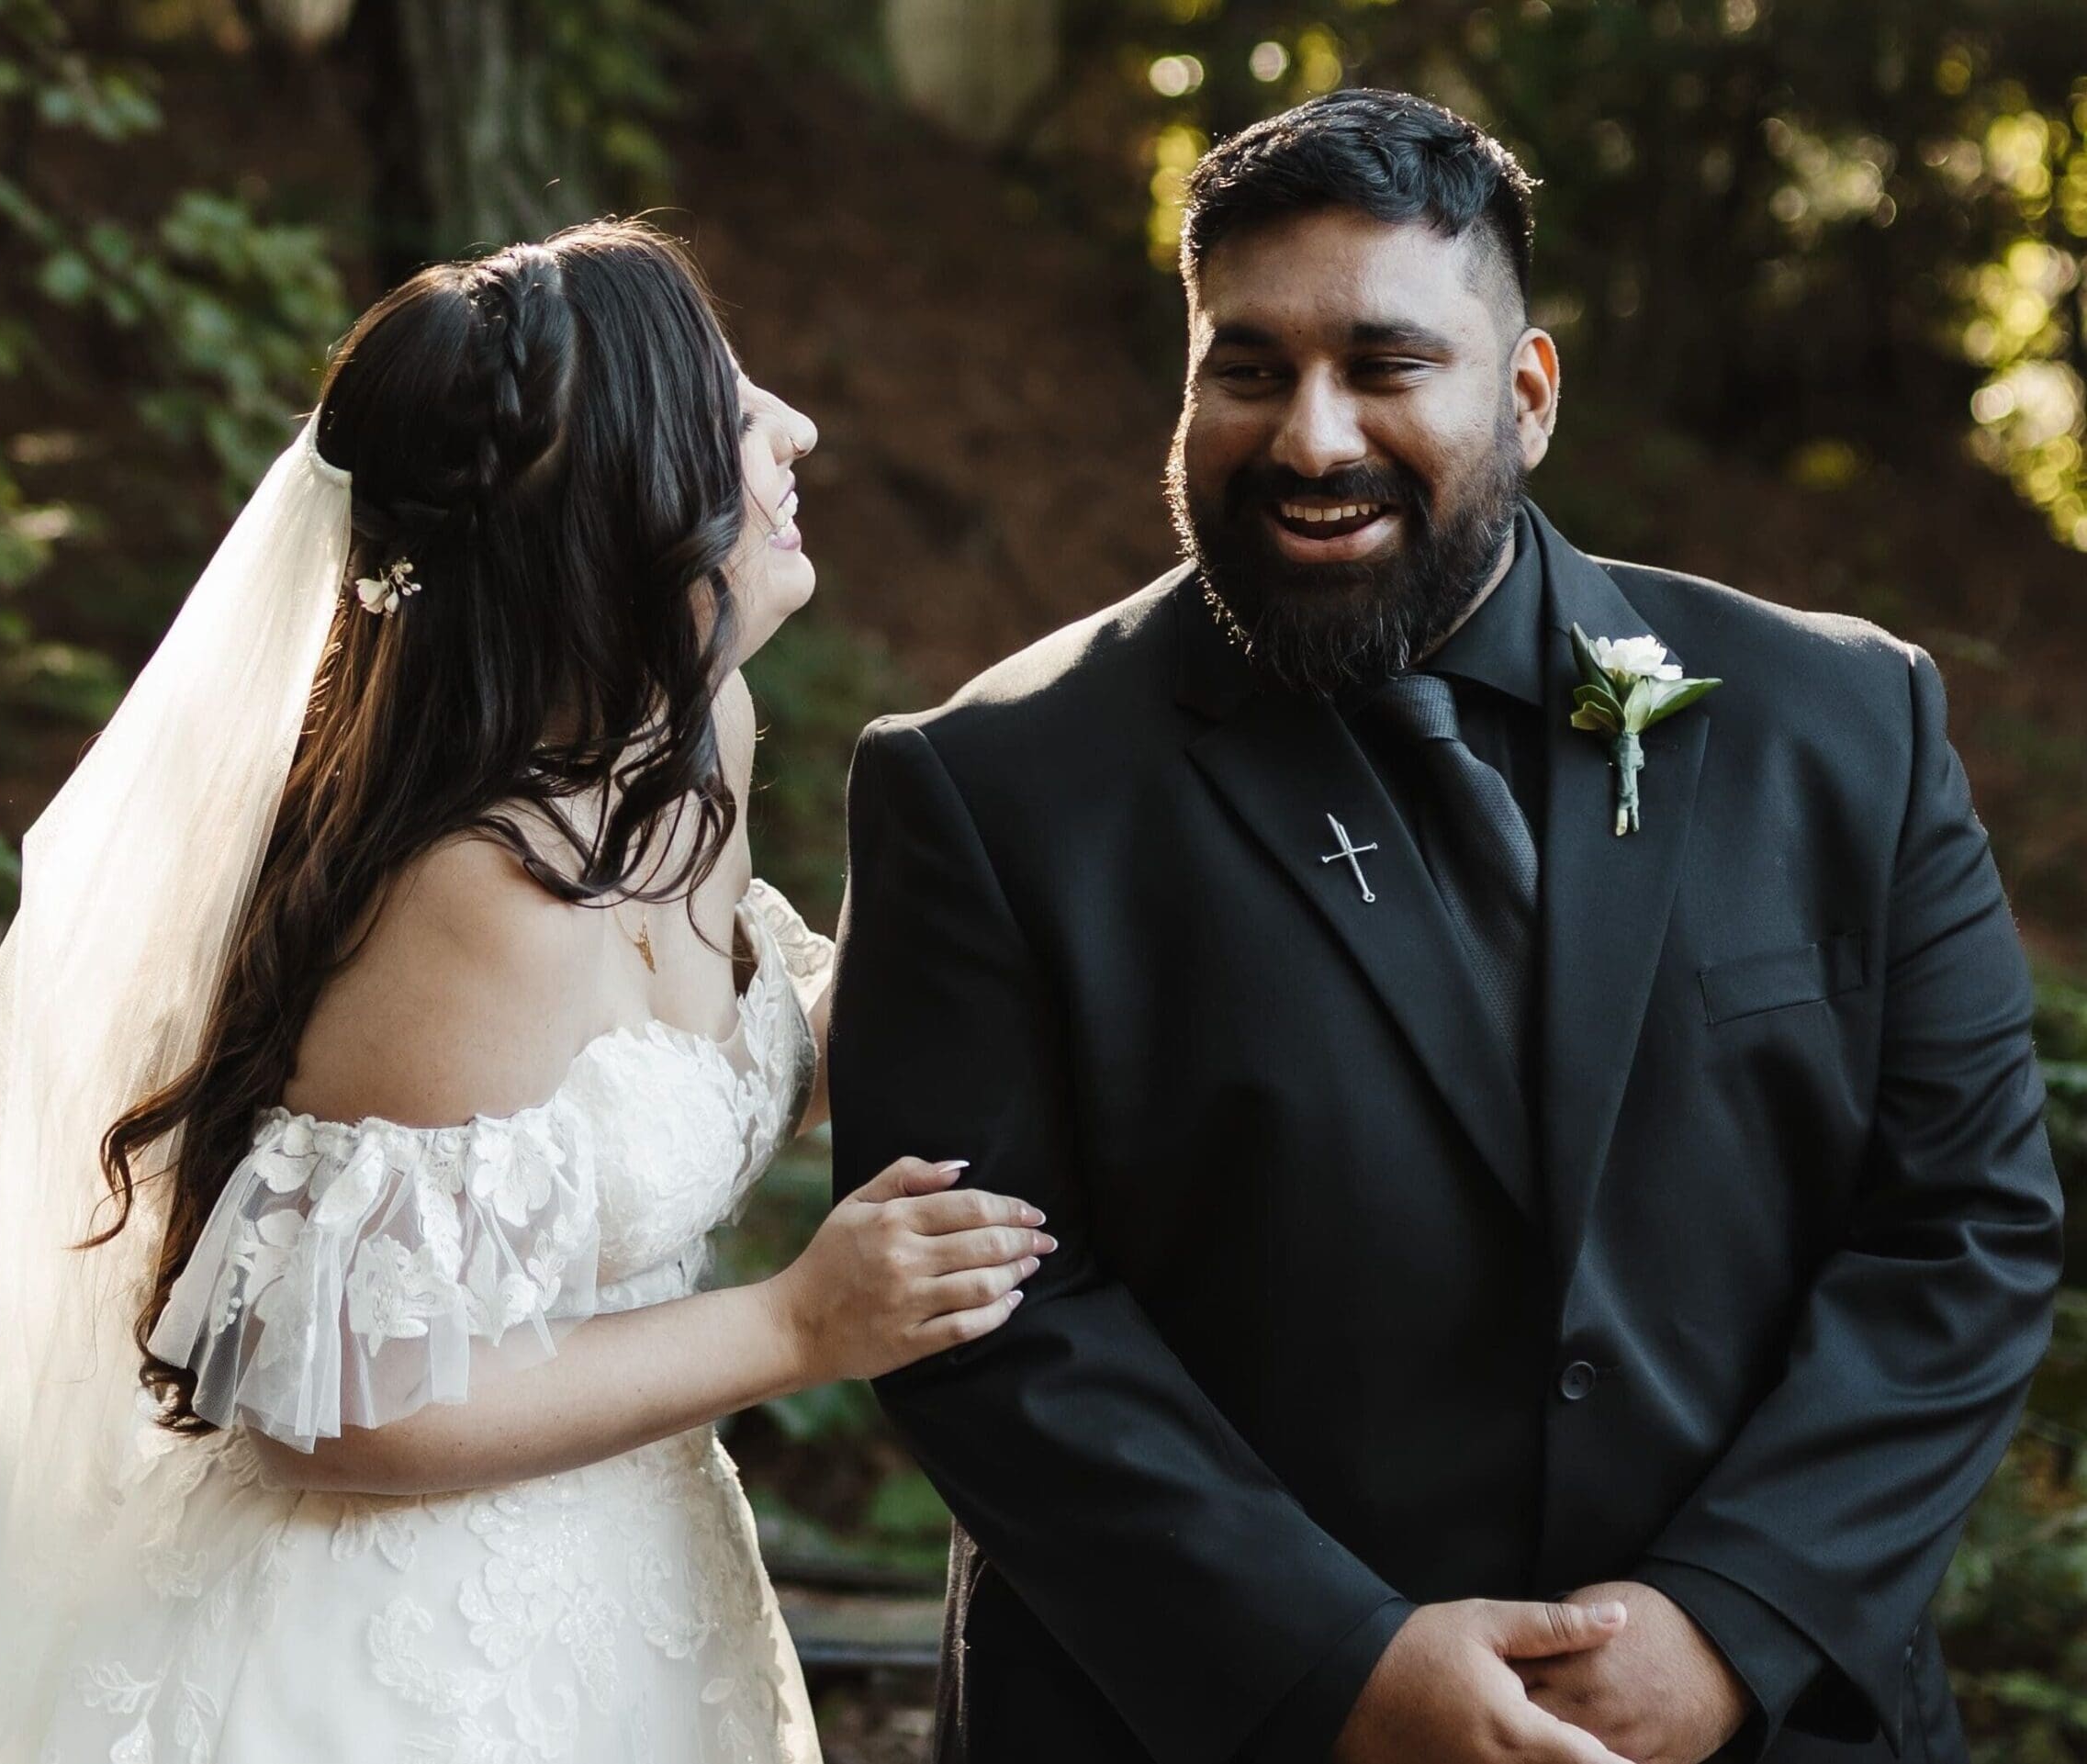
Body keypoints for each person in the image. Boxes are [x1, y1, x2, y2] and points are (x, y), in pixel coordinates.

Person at [827, 88, 2064, 1764]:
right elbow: (984, 1319)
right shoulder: (989, 787)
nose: (1312, 437)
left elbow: (1965, 1226)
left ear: (1529, 392)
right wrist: (1338, 1665)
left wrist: (1733, 1614)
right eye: (1247, 367)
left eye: (1388, 365)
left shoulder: (1845, 722)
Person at [0, 219, 1051, 1763]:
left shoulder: (694, 741)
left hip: (627, 1584)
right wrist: (799, 1323)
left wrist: (976, 854)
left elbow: (729, 1064)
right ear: (633, 502)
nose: (792, 430)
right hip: (404, 1643)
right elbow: (345, 1407)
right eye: (730, 407)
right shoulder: (471, 897)